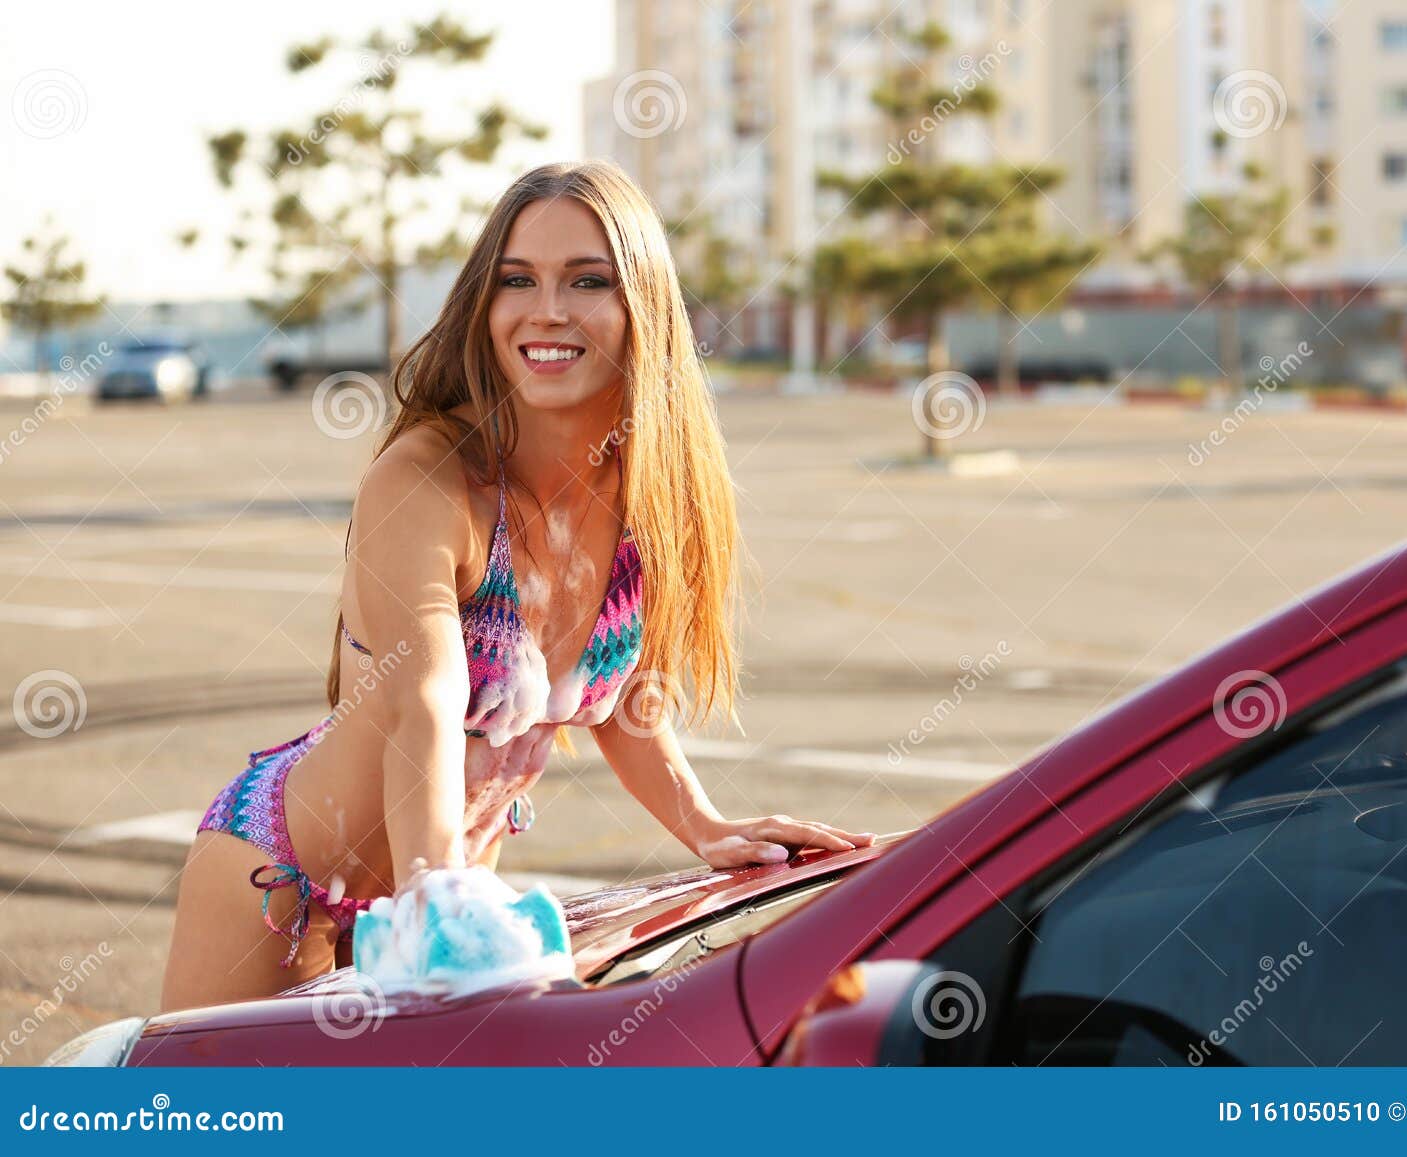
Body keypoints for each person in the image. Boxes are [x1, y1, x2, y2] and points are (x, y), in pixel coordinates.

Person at [161, 160, 874, 1011]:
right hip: (285, 884)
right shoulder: (428, 478)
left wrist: (705, 825)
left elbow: (620, 696)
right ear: (484, 306)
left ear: (641, 303)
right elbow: (423, 695)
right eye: (517, 281)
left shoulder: (647, 494)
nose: (548, 309)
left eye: (587, 280)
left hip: (444, 903)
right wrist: (434, 894)